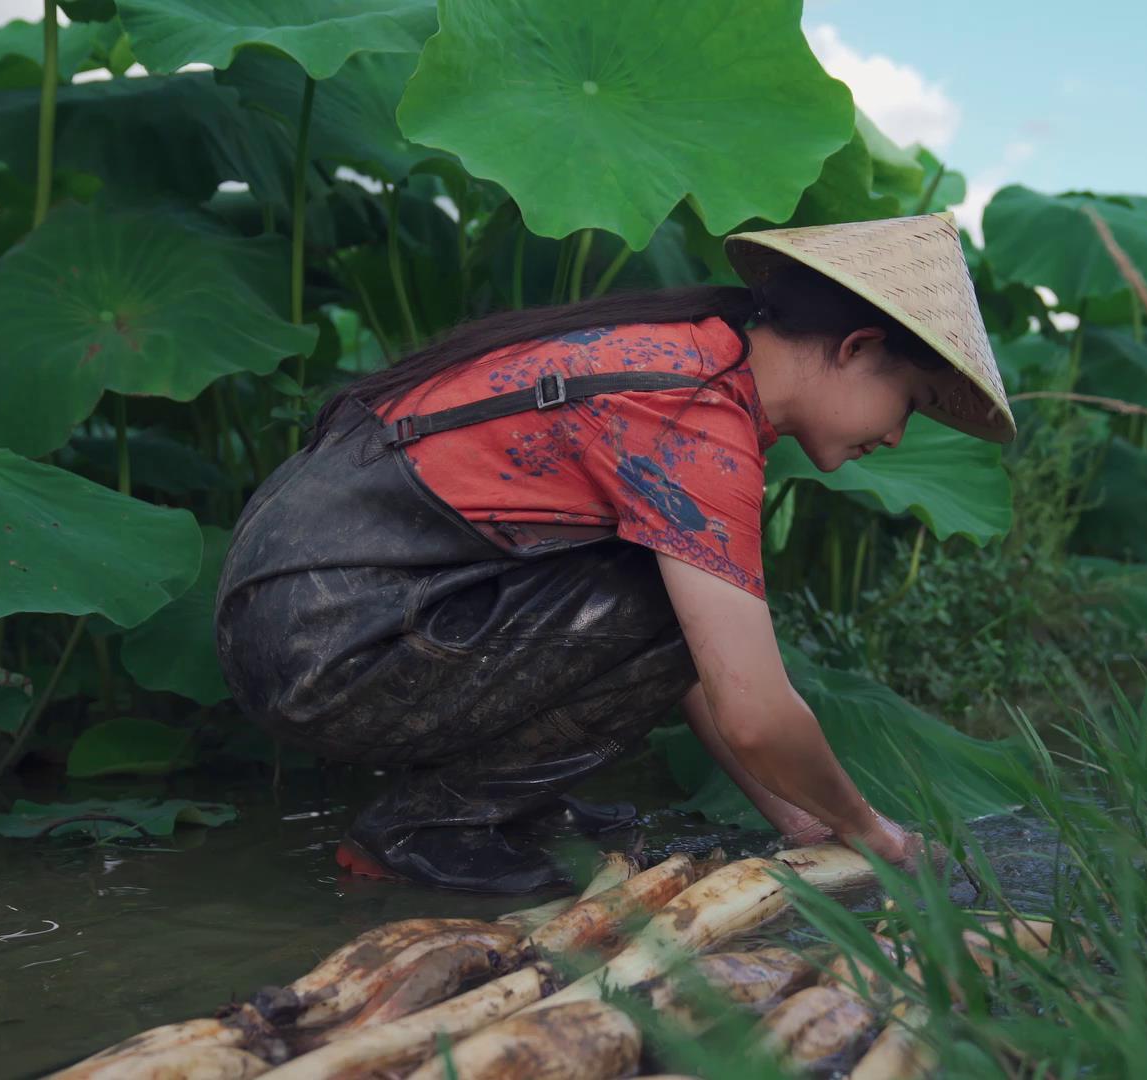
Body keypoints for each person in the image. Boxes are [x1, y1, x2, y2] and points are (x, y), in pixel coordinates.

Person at [214, 212, 1017, 892]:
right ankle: (427, 829)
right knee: (668, 599)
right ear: (854, 347)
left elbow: (698, 668)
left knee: (676, 599)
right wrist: (873, 833)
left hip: (319, 611)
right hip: (325, 638)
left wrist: (806, 825)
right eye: (907, 401)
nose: (899, 435)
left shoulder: (693, 358)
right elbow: (753, 711)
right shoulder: (695, 414)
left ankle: (503, 807)